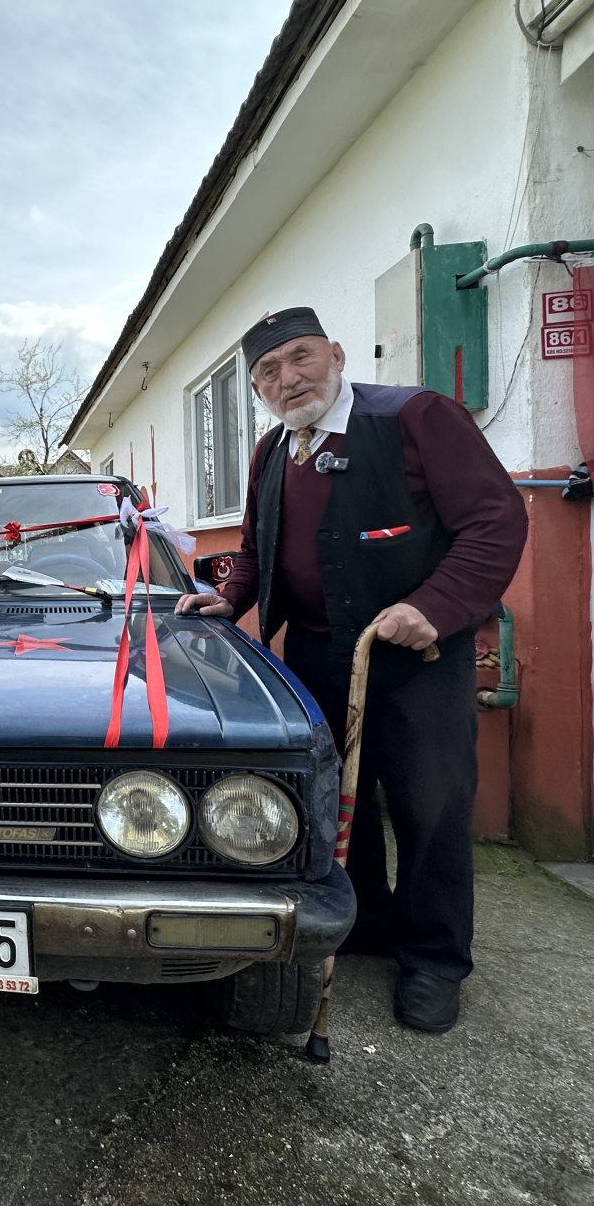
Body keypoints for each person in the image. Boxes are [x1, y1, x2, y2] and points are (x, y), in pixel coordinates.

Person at [175, 307, 528, 1033]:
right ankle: (366, 922)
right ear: (258, 390)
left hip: (418, 657)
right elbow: (257, 546)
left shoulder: (414, 417)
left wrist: (434, 606)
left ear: (335, 355)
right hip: (313, 654)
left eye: (301, 358)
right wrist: (231, 598)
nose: (288, 378)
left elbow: (496, 520)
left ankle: (434, 958)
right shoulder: (273, 451)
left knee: (430, 806)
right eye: (268, 372)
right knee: (339, 800)